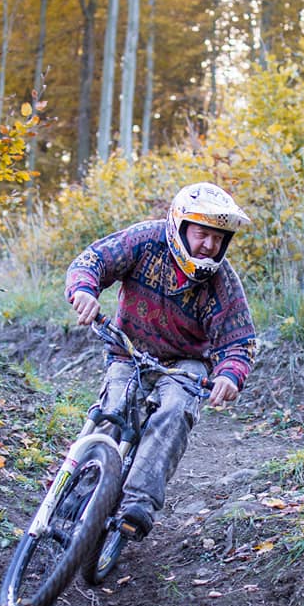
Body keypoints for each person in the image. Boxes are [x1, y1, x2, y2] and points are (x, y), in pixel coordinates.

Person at [65, 181, 256, 539]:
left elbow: (239, 341)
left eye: (218, 238)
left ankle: (138, 502)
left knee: (175, 410)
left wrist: (229, 375)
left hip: (186, 364)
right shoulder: (145, 241)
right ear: (180, 226)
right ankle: (80, 491)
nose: (210, 245)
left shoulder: (223, 282)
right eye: (202, 234)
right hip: (129, 350)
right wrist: (84, 291)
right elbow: (93, 260)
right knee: (114, 410)